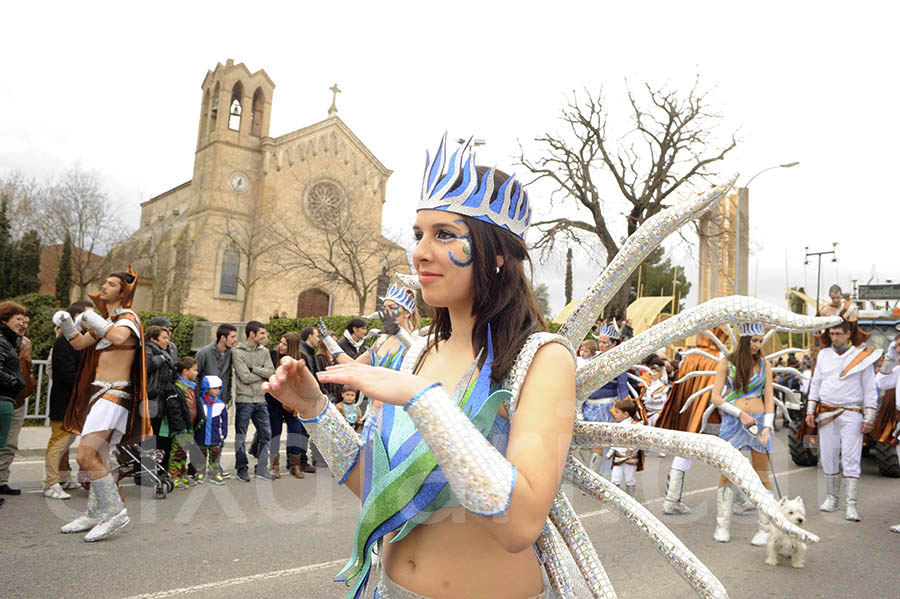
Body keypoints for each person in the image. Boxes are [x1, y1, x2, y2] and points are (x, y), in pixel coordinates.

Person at [267, 136, 575, 599]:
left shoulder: (543, 360)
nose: (420, 252)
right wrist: (313, 410)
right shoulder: (418, 355)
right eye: (418, 235)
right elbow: (384, 488)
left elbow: (519, 525)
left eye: (444, 235)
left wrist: (425, 401)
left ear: (495, 254)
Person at [54, 266, 150, 541]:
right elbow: (79, 344)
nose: (104, 287)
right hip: (100, 395)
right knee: (97, 457)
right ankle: (96, 512)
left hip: (114, 395)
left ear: (123, 291)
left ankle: (115, 511)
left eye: (111, 284)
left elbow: (118, 337)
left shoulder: (128, 319)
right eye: (104, 283)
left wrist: (92, 318)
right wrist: (67, 324)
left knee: (85, 455)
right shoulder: (108, 321)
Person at [805, 320, 880, 522]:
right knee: (828, 456)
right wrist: (810, 409)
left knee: (851, 458)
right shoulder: (823, 355)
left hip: (852, 412)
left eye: (839, 333)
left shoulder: (861, 357)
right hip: (826, 411)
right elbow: (816, 383)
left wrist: (869, 417)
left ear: (848, 334)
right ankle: (831, 498)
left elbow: (870, 389)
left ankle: (851, 504)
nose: (835, 337)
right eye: (832, 333)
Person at [709, 323, 775, 545]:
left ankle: (765, 528)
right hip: (733, 423)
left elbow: (769, 398)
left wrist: (767, 426)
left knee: (762, 474)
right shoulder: (727, 363)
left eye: (760, 341)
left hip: (758, 425)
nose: (757, 345)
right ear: (745, 339)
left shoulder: (765, 364)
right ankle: (722, 524)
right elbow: (716, 398)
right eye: (754, 340)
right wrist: (740, 414)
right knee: (727, 472)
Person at [43, 300, 92, 499]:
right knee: (59, 441)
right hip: (64, 401)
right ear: (77, 318)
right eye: (89, 316)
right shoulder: (64, 341)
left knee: (67, 440)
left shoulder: (81, 342)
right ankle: (50, 483)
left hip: (76, 401)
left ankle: (63, 478)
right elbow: (65, 373)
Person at [264, 332, 312, 478]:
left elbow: (307, 379)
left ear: (291, 346)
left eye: (284, 344)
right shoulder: (273, 355)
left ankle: (295, 465)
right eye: (280, 342)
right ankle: (274, 465)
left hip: (293, 403)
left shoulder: (301, 358)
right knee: (275, 433)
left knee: (295, 432)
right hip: (274, 402)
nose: (280, 346)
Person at [232, 320, 275, 482]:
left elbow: (271, 372)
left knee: (266, 435)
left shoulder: (265, 352)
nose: (265, 336)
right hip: (244, 400)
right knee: (240, 436)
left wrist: (254, 369)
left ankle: (262, 468)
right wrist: (260, 374)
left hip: (261, 399)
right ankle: (241, 468)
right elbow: (244, 377)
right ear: (252, 334)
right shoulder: (238, 352)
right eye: (262, 333)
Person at [0, 301, 28, 504]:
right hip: (3, 398)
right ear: (4, 320)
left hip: (9, 399)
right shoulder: (2, 341)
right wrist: (16, 382)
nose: (23, 323)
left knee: (5, 445)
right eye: (18, 319)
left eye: (25, 320)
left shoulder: (13, 341)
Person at [165, 357, 202, 488]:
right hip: (181, 427)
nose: (197, 373)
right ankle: (174, 476)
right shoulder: (176, 389)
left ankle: (182, 473)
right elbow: (175, 411)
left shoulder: (192, 387)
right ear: (185, 371)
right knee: (177, 451)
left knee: (184, 450)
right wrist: (180, 426)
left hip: (189, 426)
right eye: (195, 370)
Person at [194, 375, 227, 485]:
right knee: (201, 454)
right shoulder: (199, 403)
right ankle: (200, 472)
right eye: (214, 388)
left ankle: (215, 473)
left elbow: (224, 421)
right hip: (201, 435)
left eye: (218, 388)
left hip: (215, 435)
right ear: (206, 389)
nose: (217, 391)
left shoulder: (220, 405)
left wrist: (224, 434)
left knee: (215, 455)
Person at [606, 398, 643, 496]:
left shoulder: (635, 425)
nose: (615, 414)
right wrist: (610, 453)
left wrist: (631, 448)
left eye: (617, 412)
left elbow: (638, 439)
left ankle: (631, 498)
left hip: (630, 459)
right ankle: (615, 498)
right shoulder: (617, 426)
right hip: (618, 457)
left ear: (626, 414)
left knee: (629, 479)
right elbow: (615, 442)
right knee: (615, 478)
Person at [195, 323, 236, 407]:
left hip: (221, 401)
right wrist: (200, 396)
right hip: (204, 401)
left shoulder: (231, 354)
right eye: (232, 337)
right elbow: (195, 376)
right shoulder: (203, 353)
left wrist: (227, 397)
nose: (235, 340)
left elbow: (229, 377)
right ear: (223, 338)